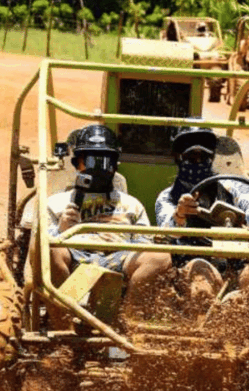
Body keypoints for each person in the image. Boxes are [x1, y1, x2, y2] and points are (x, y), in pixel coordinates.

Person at [45, 124, 172, 302]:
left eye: (105, 162)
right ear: (76, 164)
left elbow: (145, 244)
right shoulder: (56, 202)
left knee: (159, 257)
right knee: (47, 249)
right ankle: (63, 323)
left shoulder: (132, 204)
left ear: (114, 166)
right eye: (89, 161)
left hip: (119, 259)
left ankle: (129, 319)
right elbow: (36, 248)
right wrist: (60, 231)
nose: (97, 169)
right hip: (73, 255)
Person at [154, 127, 249, 301]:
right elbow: (168, 229)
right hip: (191, 263)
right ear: (179, 159)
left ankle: (247, 314)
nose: (198, 162)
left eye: (203, 157)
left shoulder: (232, 187)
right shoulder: (167, 197)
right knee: (202, 284)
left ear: (211, 159)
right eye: (191, 158)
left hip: (235, 261)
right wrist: (180, 215)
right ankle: (212, 319)